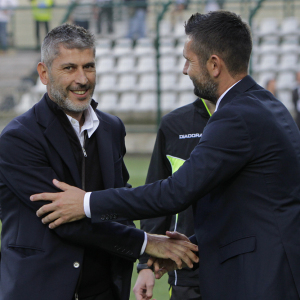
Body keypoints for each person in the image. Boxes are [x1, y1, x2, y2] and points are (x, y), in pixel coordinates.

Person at [31, 11, 300, 299]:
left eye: (189, 60)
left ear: (214, 65)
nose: (185, 70)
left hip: (261, 280)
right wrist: (189, 249)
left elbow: (174, 193)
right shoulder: (267, 105)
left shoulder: (235, 117)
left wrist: (85, 202)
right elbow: (246, 210)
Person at [0, 23, 198, 300]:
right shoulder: (18, 139)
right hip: (39, 289)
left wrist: (145, 263)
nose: (82, 79)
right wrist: (148, 244)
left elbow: (119, 202)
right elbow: (64, 221)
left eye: (89, 67)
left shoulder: (112, 128)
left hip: (105, 290)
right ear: (44, 73)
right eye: (69, 68)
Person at [133, 97, 215, 300]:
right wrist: (146, 264)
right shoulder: (174, 124)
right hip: (186, 267)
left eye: (189, 63)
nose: (185, 70)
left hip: (243, 265)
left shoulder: (251, 118)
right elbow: (157, 196)